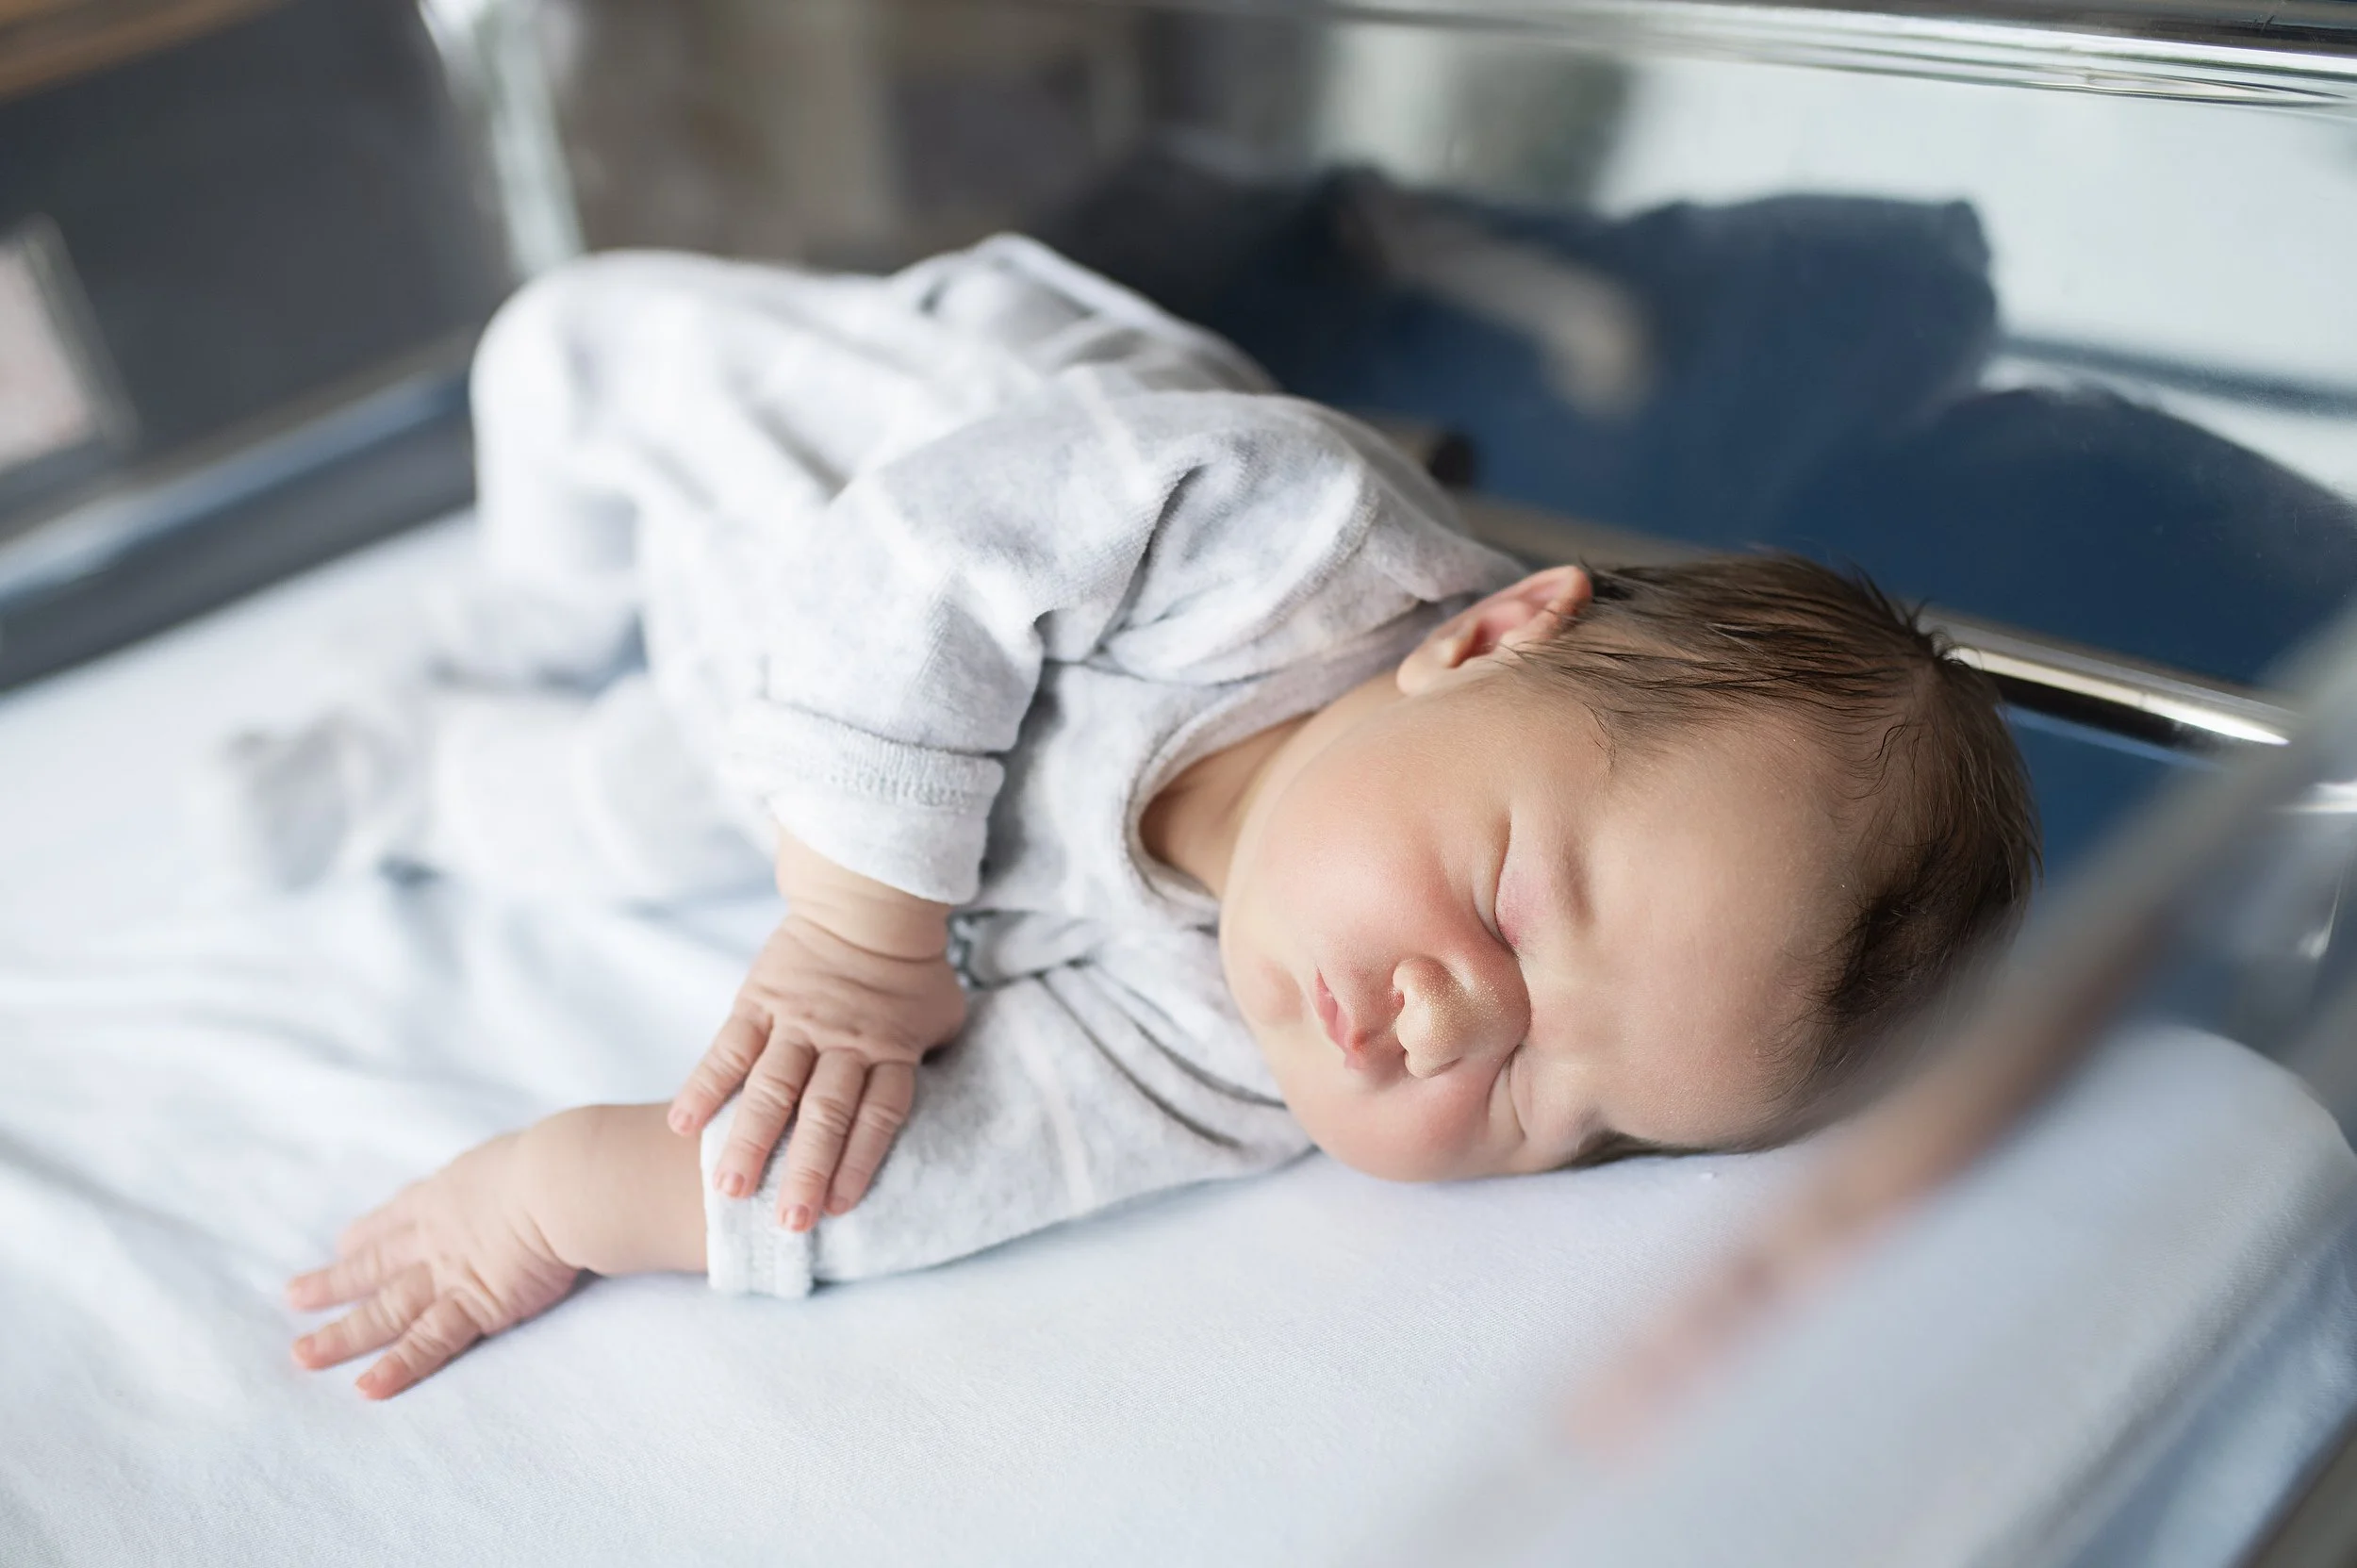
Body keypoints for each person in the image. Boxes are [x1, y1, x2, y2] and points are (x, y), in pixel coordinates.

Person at [250, 236, 2036, 1399]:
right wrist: (858, 939)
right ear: (1487, 640)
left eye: (1541, 1107)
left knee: (620, 822)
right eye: (1505, 912)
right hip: (834, 453)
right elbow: (923, 552)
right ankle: (519, 614)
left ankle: (393, 769)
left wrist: (562, 1194)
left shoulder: (1234, 1064)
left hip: (766, 730)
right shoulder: (1282, 531)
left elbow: (937, 1161)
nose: (1442, 1031)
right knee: (564, 350)